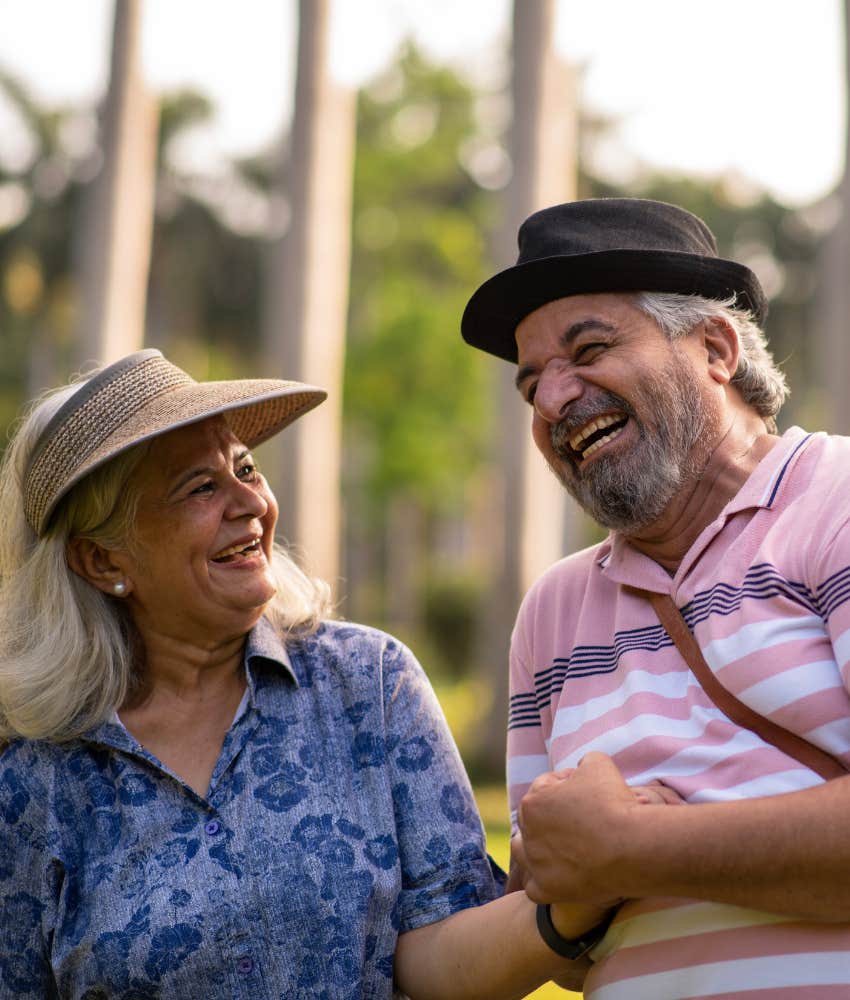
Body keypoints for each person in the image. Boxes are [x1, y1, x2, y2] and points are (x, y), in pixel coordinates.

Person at [0, 346, 637, 999]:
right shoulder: (32, 782)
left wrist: (581, 900)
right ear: (102, 560)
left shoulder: (370, 684)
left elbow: (452, 948)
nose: (250, 501)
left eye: (245, 468)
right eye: (200, 486)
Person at [460, 197, 850, 999]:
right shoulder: (554, 611)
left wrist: (635, 843)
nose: (551, 400)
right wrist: (578, 871)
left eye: (589, 349)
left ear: (714, 346)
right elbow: (563, 931)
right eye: (530, 381)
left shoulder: (837, 501)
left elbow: (604, 852)